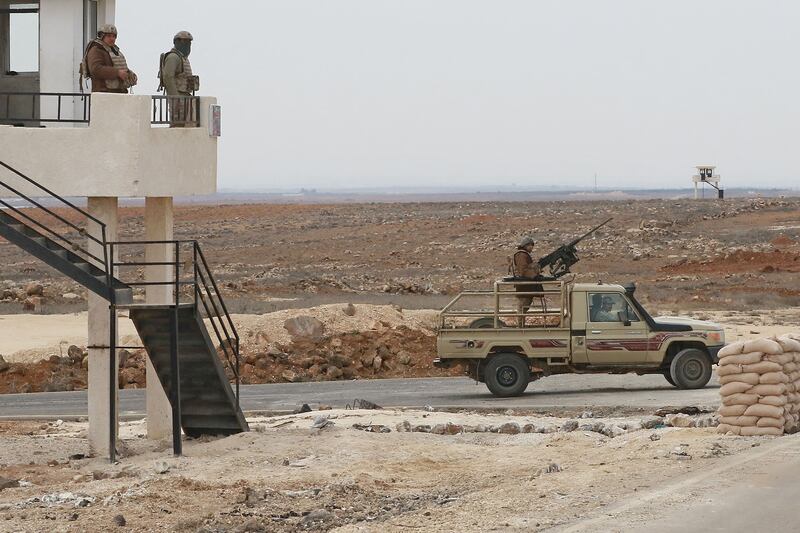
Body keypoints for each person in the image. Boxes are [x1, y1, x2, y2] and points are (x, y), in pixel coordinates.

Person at [159, 31, 200, 126]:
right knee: (178, 124)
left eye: (189, 43)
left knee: (186, 125)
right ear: (177, 42)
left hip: (185, 97)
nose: (188, 45)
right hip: (178, 97)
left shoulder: (182, 58)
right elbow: (168, 77)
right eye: (185, 42)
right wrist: (175, 98)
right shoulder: (173, 57)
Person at [82, 24, 137, 93]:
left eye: (114, 36)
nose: (112, 38)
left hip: (119, 92)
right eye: (109, 36)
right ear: (102, 36)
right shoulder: (96, 50)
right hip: (104, 93)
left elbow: (117, 65)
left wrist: (128, 74)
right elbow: (95, 69)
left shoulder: (114, 50)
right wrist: (117, 73)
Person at [511, 236, 542, 326]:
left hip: (526, 286)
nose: (531, 247)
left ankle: (521, 326)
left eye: (532, 245)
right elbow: (523, 270)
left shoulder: (524, 255)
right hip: (524, 286)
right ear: (525, 245)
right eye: (529, 245)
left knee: (524, 307)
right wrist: (535, 273)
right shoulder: (521, 255)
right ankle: (520, 327)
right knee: (522, 307)